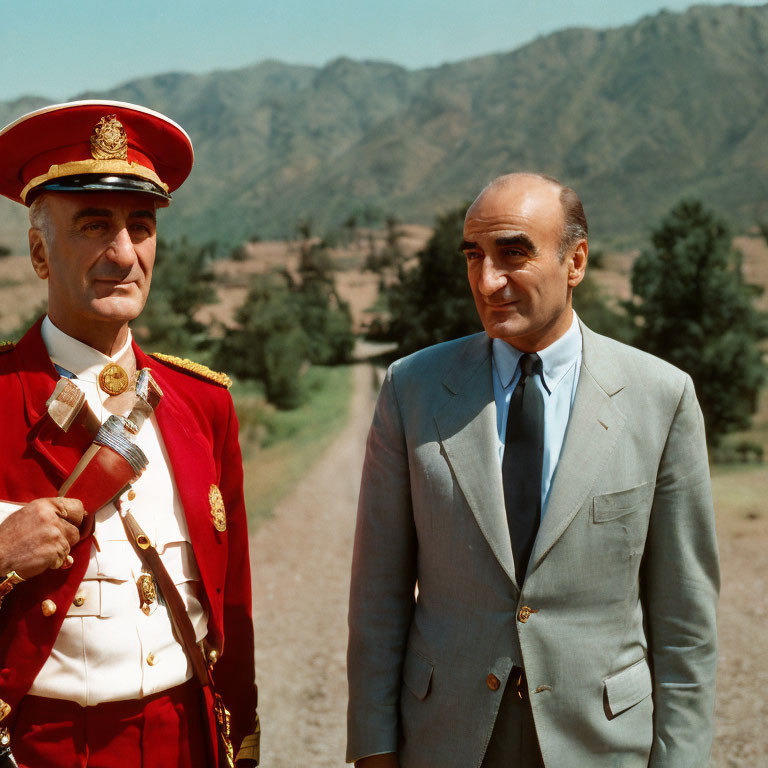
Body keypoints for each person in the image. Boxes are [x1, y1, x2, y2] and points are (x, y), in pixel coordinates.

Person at [346, 173, 719, 768]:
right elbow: (378, 598)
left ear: (576, 261)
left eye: (513, 253)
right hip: (447, 740)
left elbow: (685, 623)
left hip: (601, 744)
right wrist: (374, 750)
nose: (488, 280)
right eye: (474, 256)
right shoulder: (411, 391)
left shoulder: (660, 398)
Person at [0, 101, 259, 767]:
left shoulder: (204, 404)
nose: (123, 253)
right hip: (41, 746)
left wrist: (243, 735)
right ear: (38, 251)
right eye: (93, 225)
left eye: (140, 227)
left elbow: (232, 598)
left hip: (188, 737)